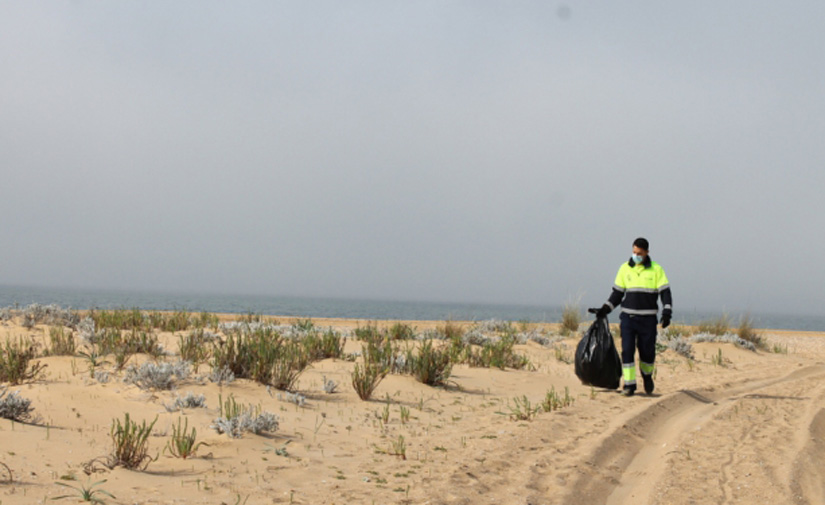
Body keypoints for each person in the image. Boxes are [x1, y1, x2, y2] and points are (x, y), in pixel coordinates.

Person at [594, 237, 672, 396]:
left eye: (640, 253)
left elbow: (665, 293)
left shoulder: (656, 270)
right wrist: (604, 309)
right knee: (627, 351)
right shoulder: (624, 269)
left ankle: (647, 375)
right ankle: (629, 386)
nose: (636, 256)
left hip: (648, 320)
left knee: (647, 353)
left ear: (647, 253)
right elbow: (617, 294)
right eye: (634, 252)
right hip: (628, 318)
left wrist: (667, 312)